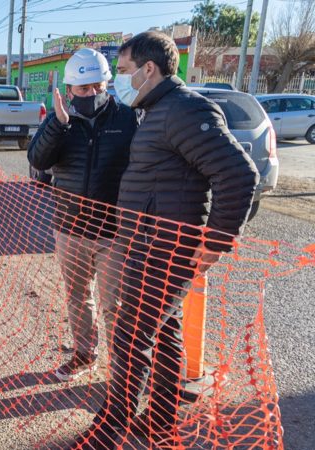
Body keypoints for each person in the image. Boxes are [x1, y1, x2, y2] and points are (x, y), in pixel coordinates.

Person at [74, 31, 259, 449]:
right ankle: (159, 421)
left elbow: (239, 175)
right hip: (148, 244)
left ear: (149, 69)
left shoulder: (183, 110)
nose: (120, 81)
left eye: (123, 72)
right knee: (166, 331)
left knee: (130, 336)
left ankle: (109, 430)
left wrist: (214, 243)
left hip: (164, 249)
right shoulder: (157, 110)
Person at [27, 48, 138, 381]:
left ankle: (122, 368)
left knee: (115, 305)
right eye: (84, 88)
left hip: (114, 233)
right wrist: (58, 124)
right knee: (77, 297)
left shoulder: (127, 118)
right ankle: (84, 354)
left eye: (98, 86)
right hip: (70, 228)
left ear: (106, 83)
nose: (92, 94)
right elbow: (38, 160)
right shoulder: (60, 119)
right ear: (70, 89)